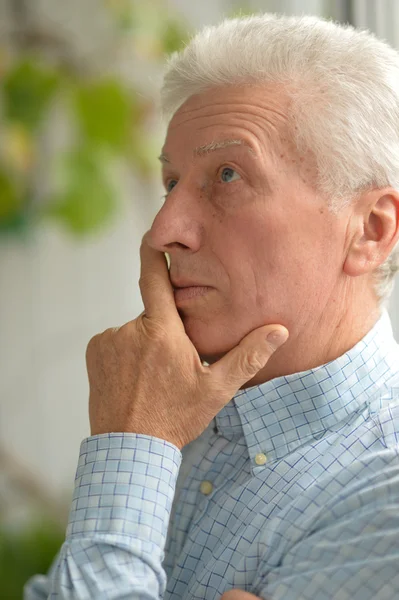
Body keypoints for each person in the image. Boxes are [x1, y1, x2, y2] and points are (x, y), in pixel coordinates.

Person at [24, 11, 399, 600]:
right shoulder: (174, 405)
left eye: (227, 174)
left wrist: (131, 447)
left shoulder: (388, 491)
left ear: (370, 231)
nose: (164, 229)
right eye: (172, 182)